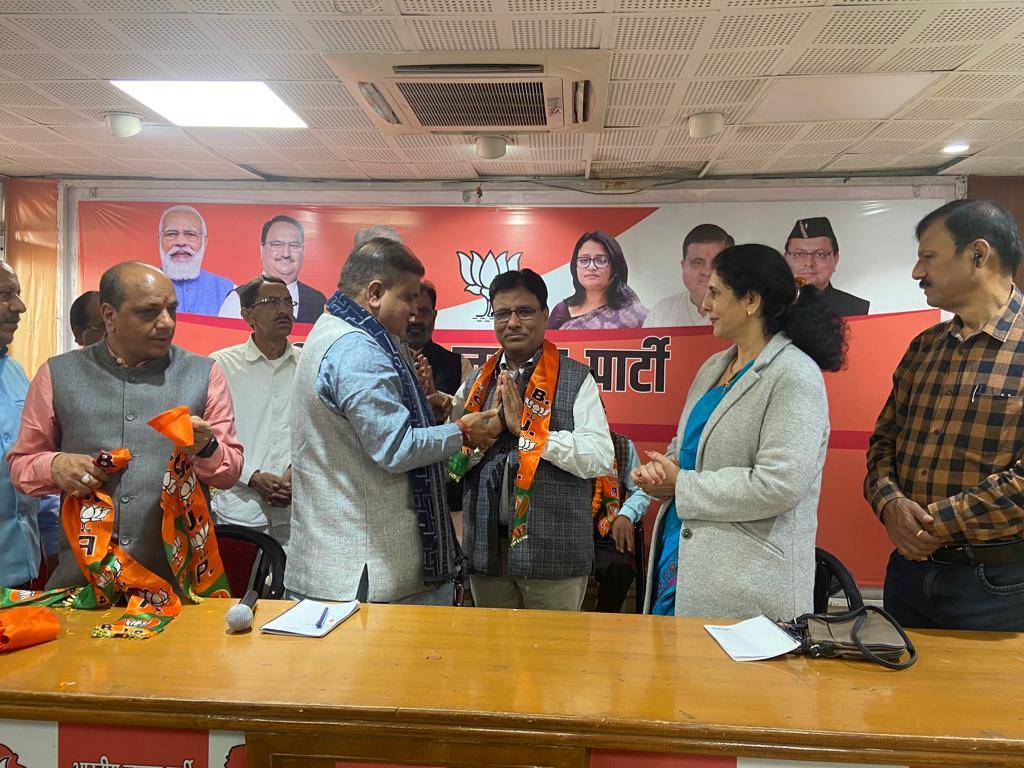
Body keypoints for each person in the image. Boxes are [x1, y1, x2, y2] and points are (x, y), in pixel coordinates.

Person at [634, 244, 845, 619]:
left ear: (750, 300)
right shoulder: (714, 367)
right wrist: (661, 472)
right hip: (682, 557)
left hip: (748, 584)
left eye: (715, 293)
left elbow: (779, 484)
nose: (704, 306)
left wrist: (681, 485)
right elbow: (687, 447)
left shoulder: (794, 374)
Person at [285, 238, 500, 605]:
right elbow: (395, 448)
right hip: (366, 569)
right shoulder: (357, 348)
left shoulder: (331, 328)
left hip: (341, 559)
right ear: (374, 293)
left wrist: (426, 416)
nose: (415, 313)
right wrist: (462, 431)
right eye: (409, 298)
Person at [8, 261, 243, 590]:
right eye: (149, 312)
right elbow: (20, 466)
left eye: (172, 310)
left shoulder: (204, 375)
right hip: (84, 587)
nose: (166, 323)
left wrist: (207, 448)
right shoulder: (56, 374)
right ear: (109, 315)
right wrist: (55, 465)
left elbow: (229, 473)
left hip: (177, 589)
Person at [865, 199, 1024, 632]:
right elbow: (883, 443)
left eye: (928, 257)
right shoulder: (925, 347)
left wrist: (937, 522)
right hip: (908, 573)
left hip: (996, 585)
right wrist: (891, 503)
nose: (917, 272)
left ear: (978, 255)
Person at [453, 269, 614, 611]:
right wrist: (484, 437)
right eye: (502, 313)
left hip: (554, 555)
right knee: (491, 644)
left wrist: (529, 433)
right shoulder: (475, 384)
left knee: (554, 647)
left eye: (524, 311)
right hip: (487, 555)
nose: (513, 322)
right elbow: (452, 463)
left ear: (544, 315)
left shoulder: (576, 378)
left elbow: (599, 456)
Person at [211, 276, 299, 549]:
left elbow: (319, 432)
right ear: (247, 314)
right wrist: (252, 477)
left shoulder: (309, 365)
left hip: (296, 513)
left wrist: (295, 473)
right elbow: (210, 439)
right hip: (240, 511)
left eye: (288, 302)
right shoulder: (221, 365)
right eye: (272, 302)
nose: (283, 310)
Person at [0, 262, 58, 589]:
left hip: (24, 571)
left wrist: (53, 545)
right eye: (5, 295)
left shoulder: (16, 373)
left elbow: (34, 460)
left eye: (18, 294)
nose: (20, 307)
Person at [217, 215, 328, 324]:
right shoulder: (239, 300)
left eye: (294, 246)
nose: (286, 254)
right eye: (277, 245)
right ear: (262, 249)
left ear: (302, 250)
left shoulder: (317, 301)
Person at [548, 232, 648, 330]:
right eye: (584, 260)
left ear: (616, 268)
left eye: (601, 260)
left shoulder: (634, 314)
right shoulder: (560, 311)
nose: (591, 267)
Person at [644, 224, 734, 328]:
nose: (707, 272)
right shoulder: (661, 313)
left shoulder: (745, 312)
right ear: (683, 266)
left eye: (717, 263)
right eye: (697, 262)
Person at [593, 431, 643, 613]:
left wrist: (627, 514)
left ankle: (604, 618)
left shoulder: (623, 446)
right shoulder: (563, 442)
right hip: (569, 531)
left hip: (606, 530)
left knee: (620, 566)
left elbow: (640, 489)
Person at [784, 216, 869, 317]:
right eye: (799, 254)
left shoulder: (860, 310)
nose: (809, 263)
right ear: (785, 258)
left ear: (835, 259)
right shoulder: (771, 307)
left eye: (820, 254)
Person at [157, 205, 233, 316]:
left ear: (204, 241)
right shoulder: (141, 289)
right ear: (159, 240)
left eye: (190, 234)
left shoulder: (228, 291)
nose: (181, 242)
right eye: (171, 234)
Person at [407, 281, 472, 396]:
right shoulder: (385, 359)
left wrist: (438, 398)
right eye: (410, 312)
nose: (415, 320)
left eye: (423, 312)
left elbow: (470, 406)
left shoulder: (459, 364)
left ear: (434, 316)